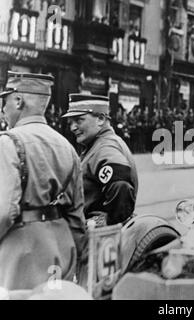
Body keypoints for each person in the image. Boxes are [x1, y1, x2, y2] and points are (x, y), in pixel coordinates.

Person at [0, 71, 86, 290]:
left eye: (5, 101)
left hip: (21, 251)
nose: (2, 109)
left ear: (18, 101)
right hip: (61, 247)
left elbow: (4, 212)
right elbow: (76, 217)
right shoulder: (67, 147)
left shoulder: (8, 143)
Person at [62, 94, 138, 226]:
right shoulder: (99, 144)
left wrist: (105, 222)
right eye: (71, 122)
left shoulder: (105, 148)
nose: (72, 127)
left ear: (101, 119)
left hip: (99, 239)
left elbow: (121, 186)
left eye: (79, 120)